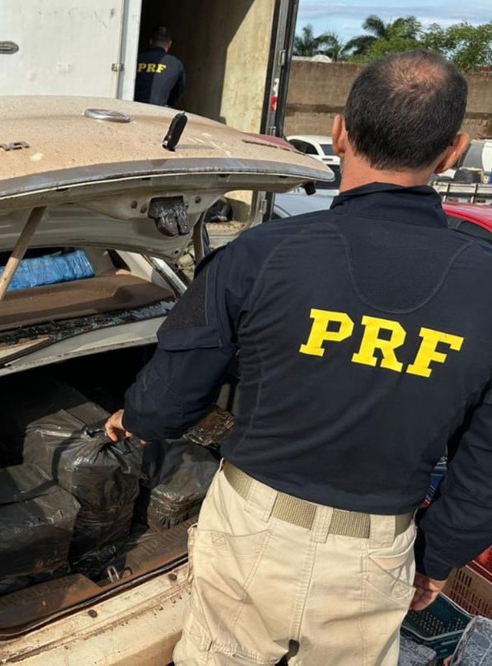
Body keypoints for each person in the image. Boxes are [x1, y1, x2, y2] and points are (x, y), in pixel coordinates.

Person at [105, 50, 492, 664]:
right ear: (456, 151)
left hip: (253, 527)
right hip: (377, 552)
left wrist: (132, 420)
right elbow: (486, 466)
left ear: (339, 131)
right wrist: (439, 557)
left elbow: (171, 399)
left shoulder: (257, 256)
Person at [134, 26, 185, 107]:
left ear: (150, 42)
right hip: (159, 112)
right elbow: (177, 93)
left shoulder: (136, 60)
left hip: (133, 109)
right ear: (169, 44)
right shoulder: (175, 64)